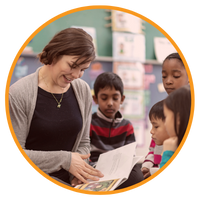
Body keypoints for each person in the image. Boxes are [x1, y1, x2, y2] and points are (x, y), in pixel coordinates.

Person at [9, 28, 103, 187]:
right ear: (55, 54)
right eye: (73, 65)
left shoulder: (82, 89)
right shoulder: (19, 93)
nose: (76, 75)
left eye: (83, 69)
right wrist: (65, 160)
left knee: (133, 175)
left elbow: (84, 142)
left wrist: (78, 172)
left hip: (70, 175)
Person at [89, 72, 144, 189]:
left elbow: (129, 157)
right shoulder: (90, 123)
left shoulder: (127, 126)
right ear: (95, 99)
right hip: (95, 170)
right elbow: (84, 154)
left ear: (122, 99)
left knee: (138, 174)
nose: (110, 103)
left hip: (118, 171)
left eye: (115, 98)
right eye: (104, 98)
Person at [141, 53, 189, 179]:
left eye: (176, 76)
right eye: (163, 76)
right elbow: (153, 148)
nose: (168, 81)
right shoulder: (164, 107)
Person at [160, 85, 191, 167]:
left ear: (178, 119)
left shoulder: (171, 146)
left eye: (166, 116)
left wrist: (168, 154)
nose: (165, 123)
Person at [142, 100, 169, 178]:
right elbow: (151, 153)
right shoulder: (155, 140)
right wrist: (146, 166)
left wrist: (152, 172)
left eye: (156, 127)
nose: (151, 131)